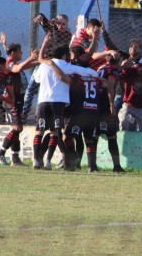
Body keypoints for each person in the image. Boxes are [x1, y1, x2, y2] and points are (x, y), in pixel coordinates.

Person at [32, 33, 98, 170]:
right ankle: (49, 161)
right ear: (64, 55)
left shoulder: (44, 66)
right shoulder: (66, 66)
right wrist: (96, 75)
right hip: (59, 103)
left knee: (39, 131)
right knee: (55, 132)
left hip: (42, 101)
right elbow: (89, 72)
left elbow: (37, 79)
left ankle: (35, 160)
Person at [23, 13, 74, 121]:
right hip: (44, 63)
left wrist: (53, 25)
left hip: (56, 66)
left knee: (49, 91)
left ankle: (56, 116)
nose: (60, 26)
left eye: (63, 24)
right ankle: (24, 114)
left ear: (67, 24)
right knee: (31, 88)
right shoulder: (52, 30)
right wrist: (42, 17)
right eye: (58, 23)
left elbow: (57, 39)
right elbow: (45, 24)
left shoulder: (68, 35)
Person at [0, 41, 39, 166]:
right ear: (14, 53)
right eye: (20, 51)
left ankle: (15, 158)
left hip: (17, 98)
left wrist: (40, 61)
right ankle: (1, 153)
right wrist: (31, 58)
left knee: (17, 129)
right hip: (11, 100)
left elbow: (23, 66)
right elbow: (18, 68)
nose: (22, 54)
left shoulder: (12, 63)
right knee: (17, 128)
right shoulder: (10, 64)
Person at [95, 53, 126, 172]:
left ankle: (92, 165)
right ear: (118, 60)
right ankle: (117, 166)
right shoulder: (112, 72)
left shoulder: (101, 68)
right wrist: (112, 105)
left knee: (95, 135)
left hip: (95, 104)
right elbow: (110, 88)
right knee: (111, 135)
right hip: (105, 106)